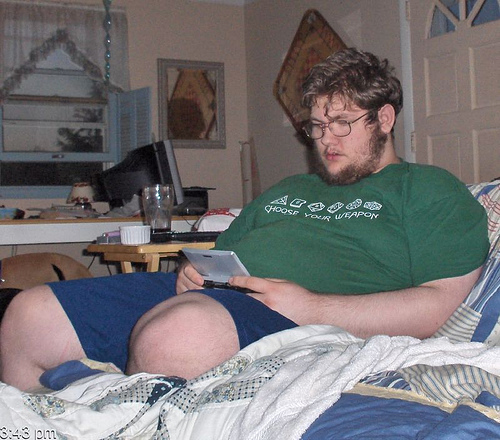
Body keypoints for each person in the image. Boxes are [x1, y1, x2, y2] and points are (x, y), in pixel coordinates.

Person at [0, 48, 489, 391]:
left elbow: (438, 305)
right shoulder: (290, 188)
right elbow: (220, 257)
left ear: (384, 119)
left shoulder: (430, 190)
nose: (326, 139)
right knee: (28, 315)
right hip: (208, 300)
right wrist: (193, 270)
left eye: (342, 123)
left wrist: (313, 308)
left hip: (296, 319)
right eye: (317, 126)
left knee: (174, 337)